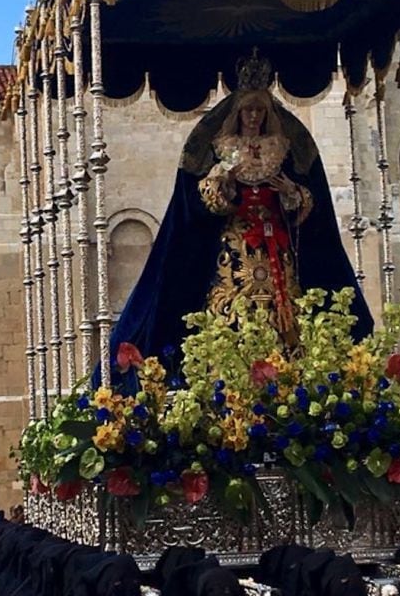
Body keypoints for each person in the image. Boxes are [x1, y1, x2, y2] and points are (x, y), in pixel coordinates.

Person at [107, 50, 372, 376]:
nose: (253, 116)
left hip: (277, 251)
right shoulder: (220, 147)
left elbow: (310, 205)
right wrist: (223, 182)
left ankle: (287, 373)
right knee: (231, 307)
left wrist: (290, 192)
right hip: (233, 250)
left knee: (285, 312)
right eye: (248, 109)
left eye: (259, 110)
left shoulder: (283, 148)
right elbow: (197, 203)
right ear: (238, 112)